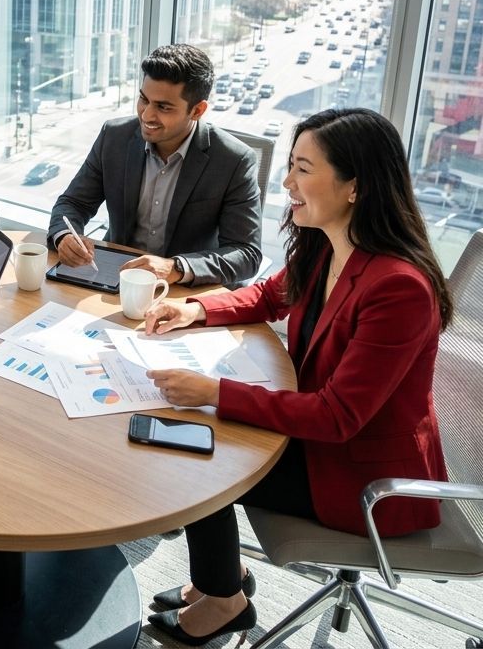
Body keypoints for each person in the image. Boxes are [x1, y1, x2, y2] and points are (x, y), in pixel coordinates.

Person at [141, 108, 452, 646]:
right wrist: (196, 310)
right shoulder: (328, 244)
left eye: (303, 168)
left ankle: (224, 600)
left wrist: (216, 392)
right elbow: (268, 295)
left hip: (365, 479)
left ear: (355, 186)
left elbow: (337, 417)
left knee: (198, 456)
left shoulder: (398, 288)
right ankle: (224, 577)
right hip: (323, 443)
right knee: (201, 436)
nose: (286, 182)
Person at [48, 43, 262, 287]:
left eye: (163, 107)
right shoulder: (114, 137)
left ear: (197, 110)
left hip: (182, 291)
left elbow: (246, 253)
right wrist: (65, 236)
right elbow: (73, 202)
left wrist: (177, 267)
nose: (146, 115)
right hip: (115, 277)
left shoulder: (233, 160)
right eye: (143, 99)